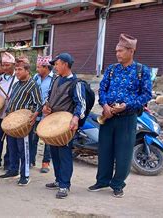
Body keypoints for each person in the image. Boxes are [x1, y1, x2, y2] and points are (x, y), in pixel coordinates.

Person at [88, 33, 152, 198]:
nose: (117, 54)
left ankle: (117, 184)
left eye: (121, 51)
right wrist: (104, 105)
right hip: (108, 116)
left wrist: (127, 105)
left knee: (123, 152)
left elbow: (146, 95)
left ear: (131, 51)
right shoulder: (111, 69)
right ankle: (102, 181)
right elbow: (102, 89)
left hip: (127, 118)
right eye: (116, 51)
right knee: (105, 150)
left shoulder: (142, 71)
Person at [42, 53, 86, 199]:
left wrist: (75, 118)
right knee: (54, 152)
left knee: (64, 154)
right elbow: (49, 97)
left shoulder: (76, 83)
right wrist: (46, 107)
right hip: (53, 122)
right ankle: (58, 179)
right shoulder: (56, 79)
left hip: (65, 124)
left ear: (65, 64)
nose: (55, 67)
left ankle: (64, 185)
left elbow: (81, 104)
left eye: (57, 64)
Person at [0, 57, 42, 186]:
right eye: (16, 69)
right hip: (12, 121)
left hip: (24, 123)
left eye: (19, 70)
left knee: (24, 149)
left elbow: (38, 104)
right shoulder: (16, 84)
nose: (16, 72)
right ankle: (13, 170)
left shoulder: (33, 85)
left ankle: (25, 175)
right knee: (11, 147)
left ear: (27, 71)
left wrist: (32, 115)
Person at [30, 55, 54, 173]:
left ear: (46, 67)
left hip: (47, 113)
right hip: (36, 111)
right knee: (33, 137)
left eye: (39, 67)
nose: (37, 69)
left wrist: (47, 106)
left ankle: (45, 163)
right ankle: (31, 160)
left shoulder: (54, 79)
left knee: (47, 139)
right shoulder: (35, 77)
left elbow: (53, 95)